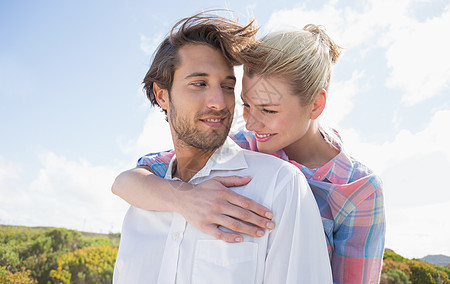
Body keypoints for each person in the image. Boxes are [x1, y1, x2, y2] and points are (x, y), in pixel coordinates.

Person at [113, 21, 386, 283]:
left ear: (316, 105)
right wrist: (184, 198)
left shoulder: (358, 189)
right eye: (246, 105)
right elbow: (133, 177)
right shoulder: (243, 145)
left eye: (268, 109)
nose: (252, 123)